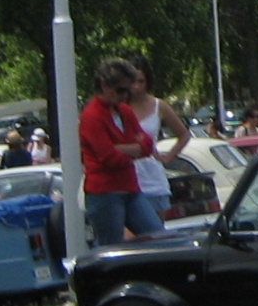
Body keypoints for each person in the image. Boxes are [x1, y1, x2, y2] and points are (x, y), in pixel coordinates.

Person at [78, 58, 156, 247]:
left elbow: (148, 144)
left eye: (128, 90)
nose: (125, 95)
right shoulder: (92, 115)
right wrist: (135, 148)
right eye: (120, 90)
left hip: (130, 188)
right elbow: (110, 158)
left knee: (158, 237)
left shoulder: (125, 111)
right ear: (104, 86)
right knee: (112, 248)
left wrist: (123, 148)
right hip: (104, 194)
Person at [126, 57, 188, 234]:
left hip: (153, 180)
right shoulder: (118, 107)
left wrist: (168, 157)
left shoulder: (158, 106)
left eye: (141, 81)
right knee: (128, 239)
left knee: (155, 236)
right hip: (126, 179)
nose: (137, 87)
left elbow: (183, 134)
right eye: (133, 82)